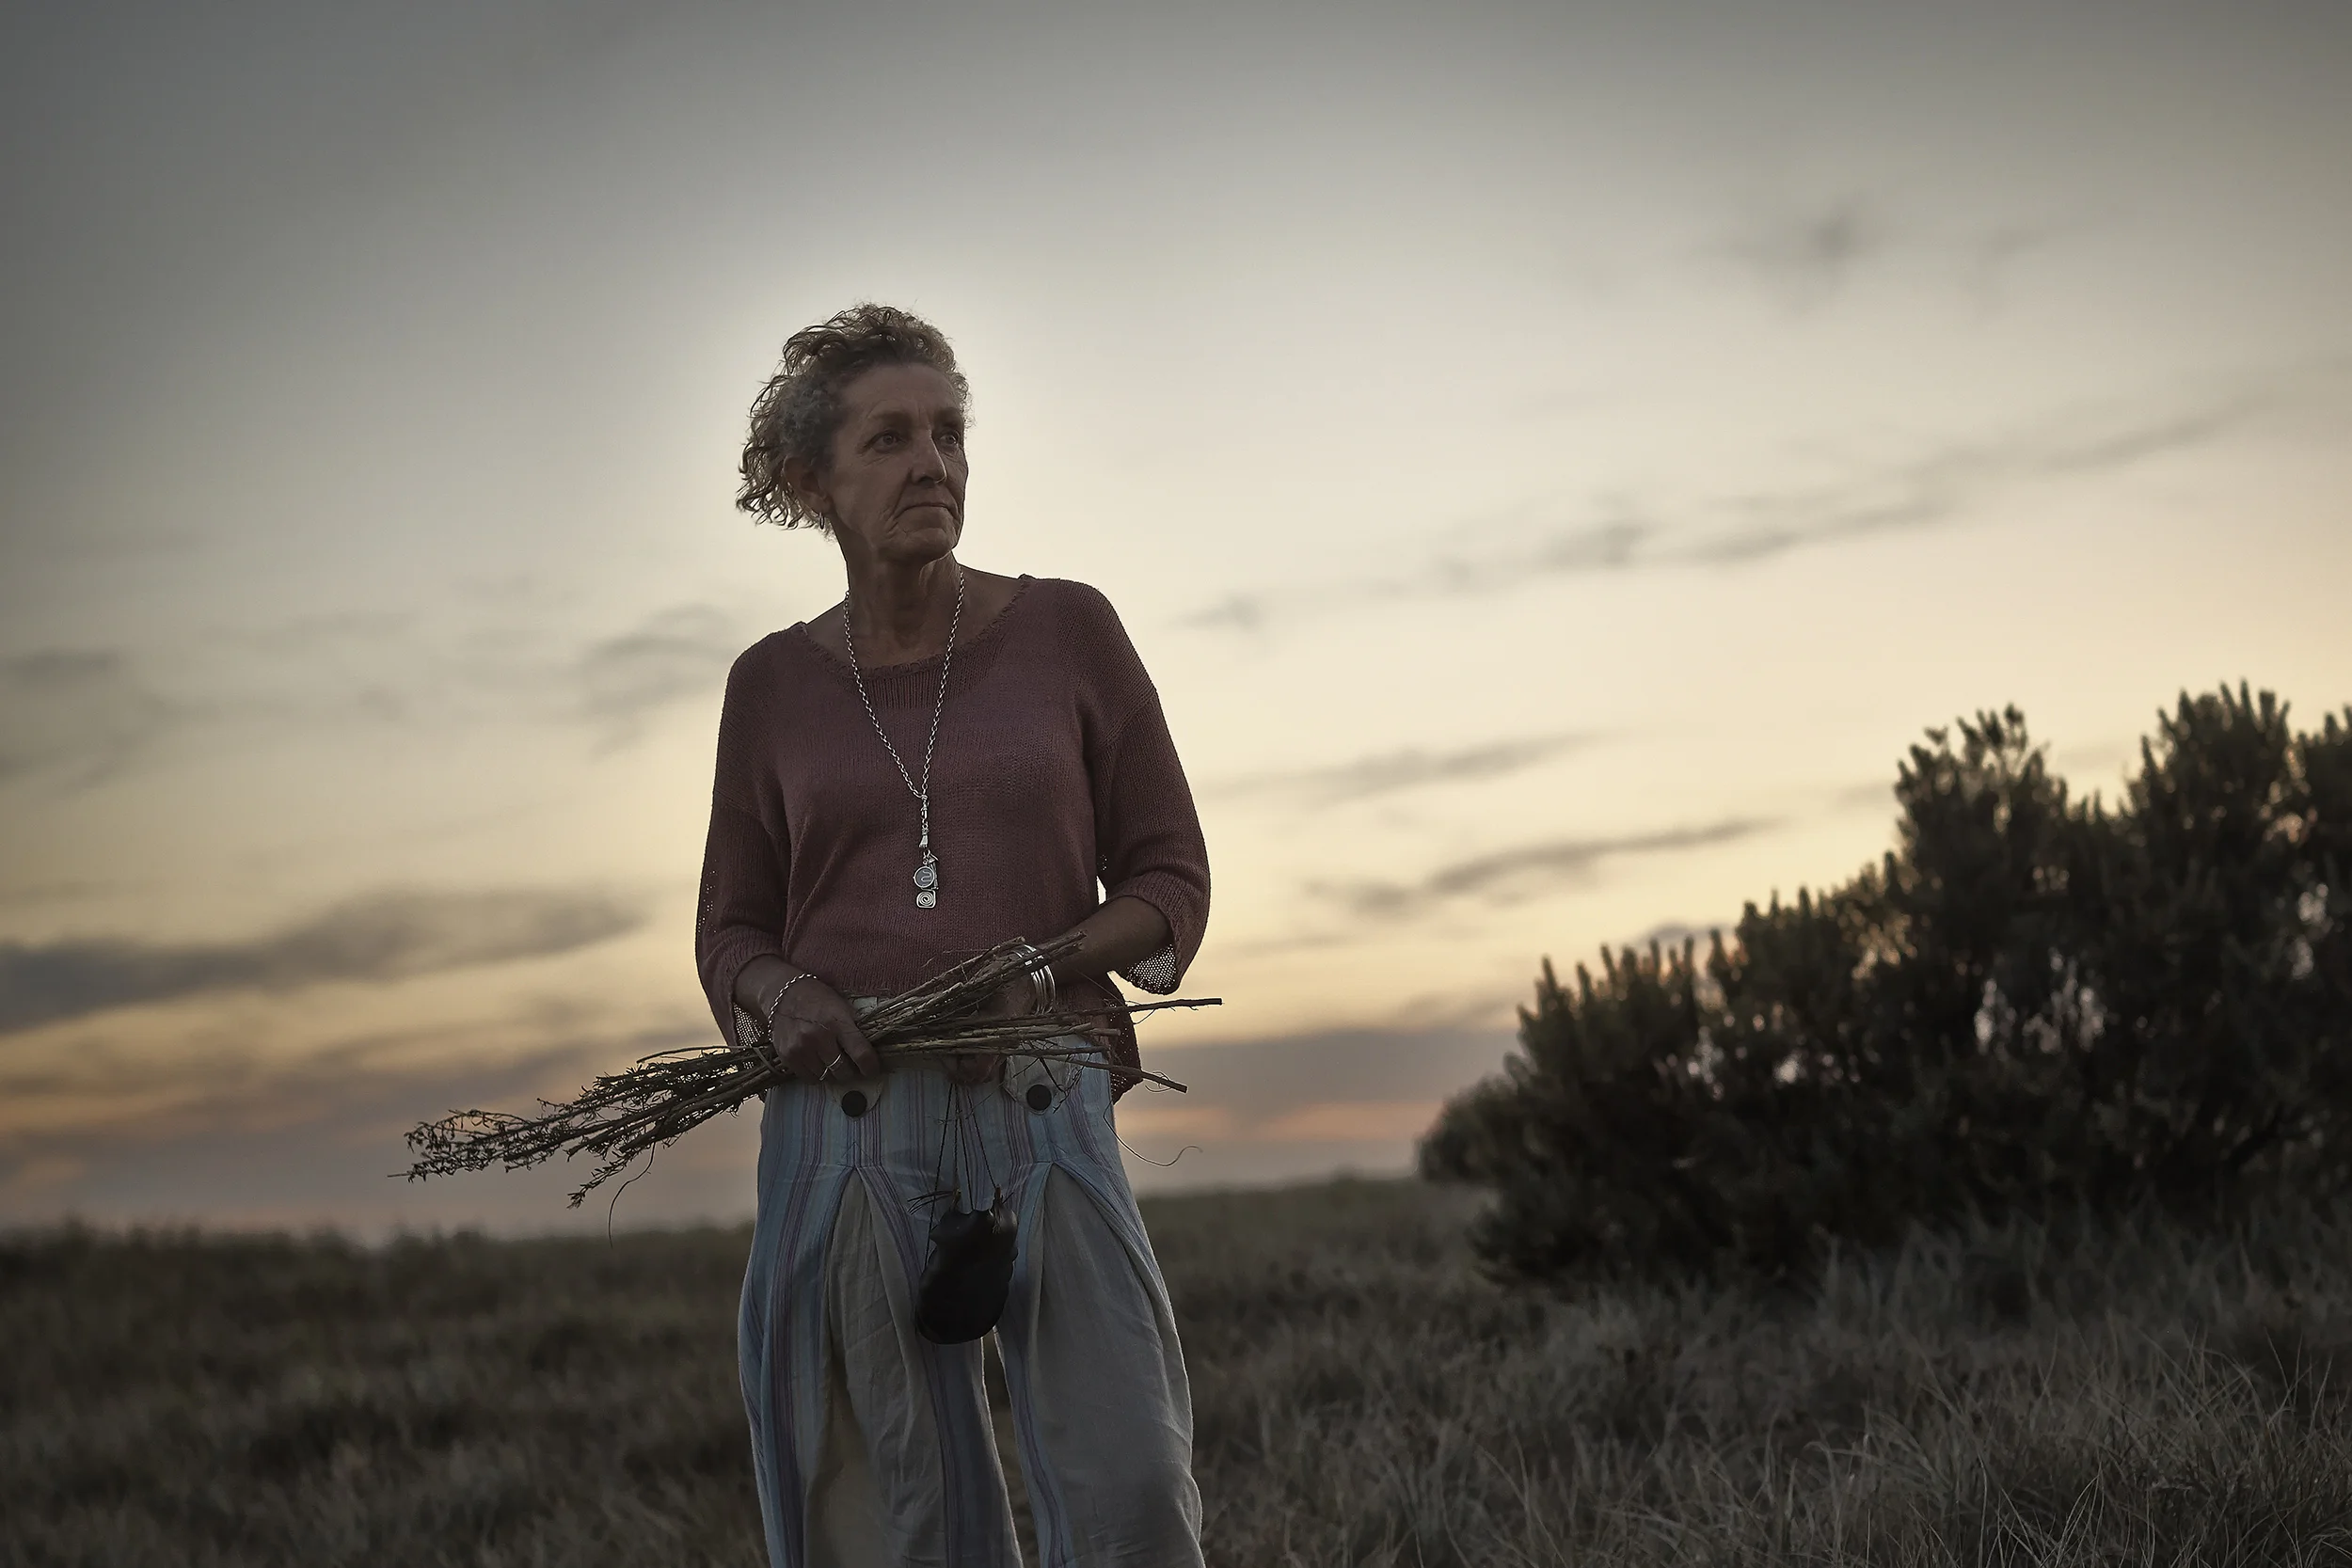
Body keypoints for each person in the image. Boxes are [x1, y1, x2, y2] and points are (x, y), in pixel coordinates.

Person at [695, 303, 1212, 1568]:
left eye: (949, 432)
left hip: (1041, 1093)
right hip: (848, 1123)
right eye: (889, 439)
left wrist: (1043, 966)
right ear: (811, 482)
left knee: (1134, 1488)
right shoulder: (769, 686)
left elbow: (1171, 878)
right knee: (890, 1523)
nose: (932, 462)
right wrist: (785, 998)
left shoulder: (1069, 630)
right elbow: (731, 927)